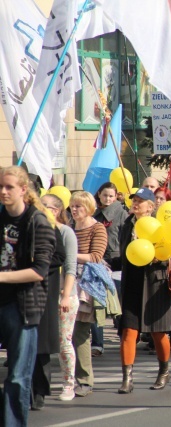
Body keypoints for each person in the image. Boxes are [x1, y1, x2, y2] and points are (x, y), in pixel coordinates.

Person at [0, 166, 56, 425]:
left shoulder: (38, 221)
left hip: (23, 305)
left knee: (18, 376)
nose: (3, 191)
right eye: (1, 187)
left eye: (9, 187)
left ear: (24, 189)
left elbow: (39, 271)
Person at [115, 188, 171, 394]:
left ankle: (164, 371)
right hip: (132, 283)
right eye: (135, 200)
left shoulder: (159, 226)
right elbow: (123, 255)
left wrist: (159, 257)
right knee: (128, 331)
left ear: (151, 207)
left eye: (141, 201)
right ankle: (127, 379)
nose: (136, 203)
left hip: (154, 284)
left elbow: (169, 252)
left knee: (158, 332)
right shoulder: (126, 225)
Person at [70, 192, 108, 397]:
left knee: (81, 332)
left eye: (79, 206)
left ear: (89, 208)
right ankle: (69, 378)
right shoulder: (69, 227)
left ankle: (84, 381)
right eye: (73, 206)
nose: (74, 210)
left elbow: (95, 256)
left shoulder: (97, 228)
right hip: (66, 282)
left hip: (86, 286)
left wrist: (69, 253)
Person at [41, 194, 78, 402]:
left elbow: (70, 266)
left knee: (64, 341)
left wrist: (65, 295)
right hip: (43, 294)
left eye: (47, 206)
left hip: (64, 296)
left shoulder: (65, 232)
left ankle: (68, 383)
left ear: (56, 210)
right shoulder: (37, 229)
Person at [92, 182, 128, 356]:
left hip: (116, 262)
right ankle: (97, 343)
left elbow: (125, 238)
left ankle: (125, 339)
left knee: (118, 303)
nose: (108, 199)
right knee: (97, 302)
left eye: (111, 196)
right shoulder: (94, 214)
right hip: (98, 262)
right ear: (99, 195)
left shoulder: (121, 214)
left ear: (116, 197)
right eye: (105, 195)